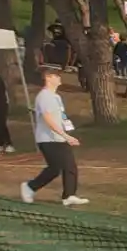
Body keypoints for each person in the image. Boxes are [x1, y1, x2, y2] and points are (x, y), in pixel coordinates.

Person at [20, 66, 87, 207]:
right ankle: (30, 187)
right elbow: (48, 119)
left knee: (65, 167)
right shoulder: (45, 97)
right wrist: (65, 135)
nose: (59, 78)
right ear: (48, 78)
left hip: (59, 138)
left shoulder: (56, 97)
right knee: (57, 168)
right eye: (56, 76)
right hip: (48, 139)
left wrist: (66, 132)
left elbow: (60, 117)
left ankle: (69, 195)